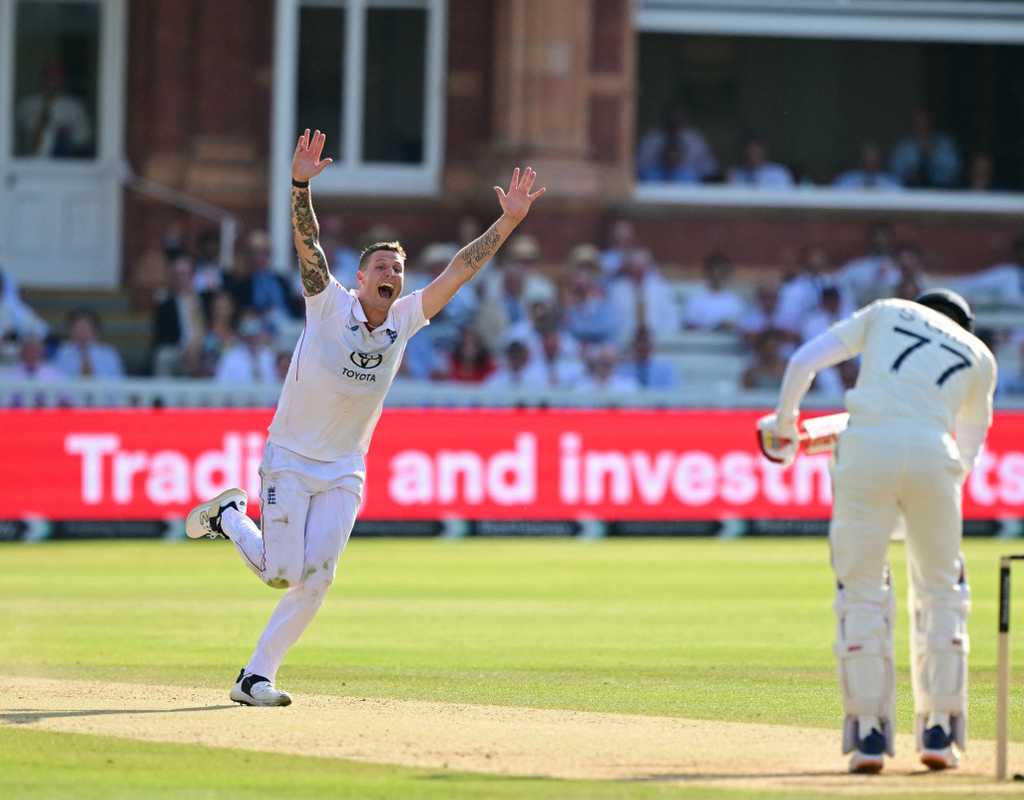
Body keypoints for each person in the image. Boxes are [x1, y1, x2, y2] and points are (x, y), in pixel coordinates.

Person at [184, 129, 545, 706]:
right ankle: (229, 514)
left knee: (319, 577)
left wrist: (508, 222)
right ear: (359, 277)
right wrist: (300, 184)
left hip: (345, 468)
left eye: (397, 270)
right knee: (282, 573)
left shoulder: (405, 319)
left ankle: (256, 676)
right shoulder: (328, 303)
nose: (391, 275)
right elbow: (310, 248)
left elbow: (460, 270)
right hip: (290, 459)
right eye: (381, 266)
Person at [760, 289, 996, 774]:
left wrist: (785, 425)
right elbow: (968, 451)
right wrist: (927, 491)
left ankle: (868, 735)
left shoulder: (888, 311)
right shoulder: (980, 356)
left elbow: (804, 361)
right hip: (936, 456)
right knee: (942, 594)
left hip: (865, 447)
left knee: (862, 595)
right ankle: (939, 732)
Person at [16, 61, 93, 158]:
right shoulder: (26, 104)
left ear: (62, 80)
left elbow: (84, 139)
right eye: (48, 76)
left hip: (64, 163)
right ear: (41, 78)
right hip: (27, 161)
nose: (51, 81)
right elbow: (15, 136)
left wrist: (67, 136)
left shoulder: (75, 106)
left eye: (56, 77)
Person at [152, 254, 206, 376]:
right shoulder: (165, 306)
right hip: (179, 352)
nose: (180, 279)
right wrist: (185, 350)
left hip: (206, 349)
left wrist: (198, 348)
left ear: (193, 276)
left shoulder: (206, 299)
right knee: (163, 356)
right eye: (176, 275)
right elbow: (161, 339)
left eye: (184, 274)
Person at [635, 106, 717, 183]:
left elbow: (709, 171)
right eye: (672, 119)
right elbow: (638, 169)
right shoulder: (651, 140)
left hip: (690, 182)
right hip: (654, 179)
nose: (672, 156)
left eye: (678, 119)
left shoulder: (695, 140)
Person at [889, 109, 961, 189]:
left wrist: (933, 153)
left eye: (925, 122)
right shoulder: (904, 146)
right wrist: (910, 170)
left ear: (931, 123)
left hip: (941, 190)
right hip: (910, 191)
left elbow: (954, 169)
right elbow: (894, 172)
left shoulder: (944, 143)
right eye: (918, 123)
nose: (922, 126)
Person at [682, 253, 746, 331]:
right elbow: (689, 326)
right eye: (716, 271)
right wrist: (714, 328)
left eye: (723, 272)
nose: (718, 276)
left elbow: (741, 327)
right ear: (707, 272)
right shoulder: (695, 297)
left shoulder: (735, 301)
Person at [54, 309, 124, 379]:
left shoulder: (109, 353)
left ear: (96, 330)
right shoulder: (61, 352)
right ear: (70, 330)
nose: (82, 332)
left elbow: (119, 381)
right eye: (78, 327)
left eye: (86, 327)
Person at [214, 311, 277, 384]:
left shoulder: (269, 356)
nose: (252, 338)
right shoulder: (230, 357)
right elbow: (220, 384)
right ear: (242, 333)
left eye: (254, 330)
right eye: (248, 333)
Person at [727, 135, 794, 189]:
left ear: (763, 151)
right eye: (750, 150)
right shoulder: (735, 174)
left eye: (756, 151)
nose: (753, 154)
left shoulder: (779, 173)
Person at [834, 142, 901, 190]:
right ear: (861, 159)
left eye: (873, 157)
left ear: (879, 159)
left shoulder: (890, 182)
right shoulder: (847, 180)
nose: (870, 160)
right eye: (867, 156)